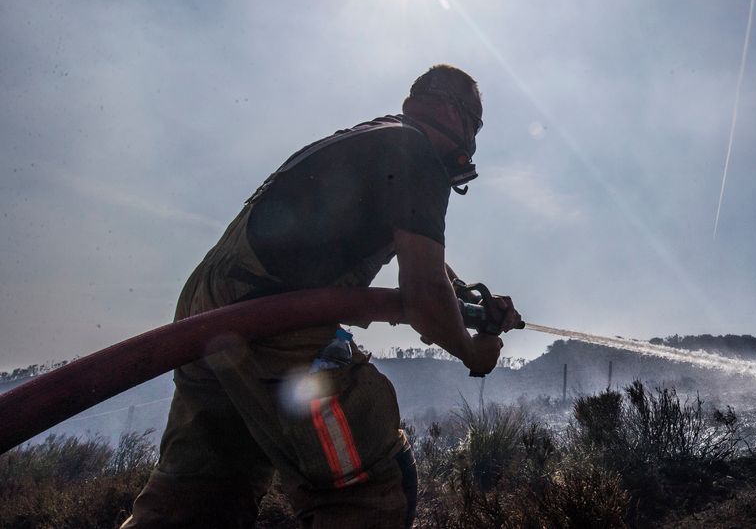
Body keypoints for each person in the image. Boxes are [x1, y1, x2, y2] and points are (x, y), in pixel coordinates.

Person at [122, 64, 521, 528]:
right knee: (371, 490)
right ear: (453, 112)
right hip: (275, 319)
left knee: (197, 499)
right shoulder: (418, 154)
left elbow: (424, 265)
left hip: (211, 310)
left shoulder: (376, 138)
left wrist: (466, 297)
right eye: (474, 125)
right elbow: (424, 297)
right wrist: (477, 352)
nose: (471, 141)